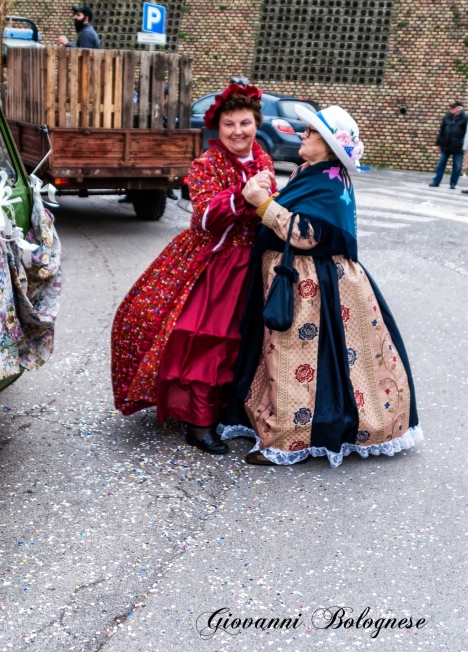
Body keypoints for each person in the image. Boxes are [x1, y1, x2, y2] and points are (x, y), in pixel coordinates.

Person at [226, 105, 422, 468]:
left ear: (330, 147)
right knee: (280, 354)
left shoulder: (330, 182)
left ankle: (289, 440)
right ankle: (277, 424)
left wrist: (262, 204)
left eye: (311, 133)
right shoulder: (311, 171)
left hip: (313, 287)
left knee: (295, 358)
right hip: (303, 279)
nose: (303, 135)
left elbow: (305, 234)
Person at [111, 83, 277, 454]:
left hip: (254, 262)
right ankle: (198, 423)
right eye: (229, 124)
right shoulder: (207, 164)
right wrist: (241, 197)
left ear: (256, 124)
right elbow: (202, 219)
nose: (238, 132)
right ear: (217, 129)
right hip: (216, 261)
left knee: (247, 341)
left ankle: (230, 411)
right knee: (206, 338)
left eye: (245, 123)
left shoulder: (263, 158)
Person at [429, 101, 467, 189]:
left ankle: (453, 183)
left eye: (452, 108)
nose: (450, 110)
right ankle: (436, 181)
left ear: (458, 108)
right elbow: (441, 131)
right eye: (450, 108)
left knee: (457, 166)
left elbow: (466, 133)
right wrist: (438, 143)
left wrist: (463, 144)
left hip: (458, 147)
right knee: (441, 164)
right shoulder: (447, 118)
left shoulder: (465, 119)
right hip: (445, 146)